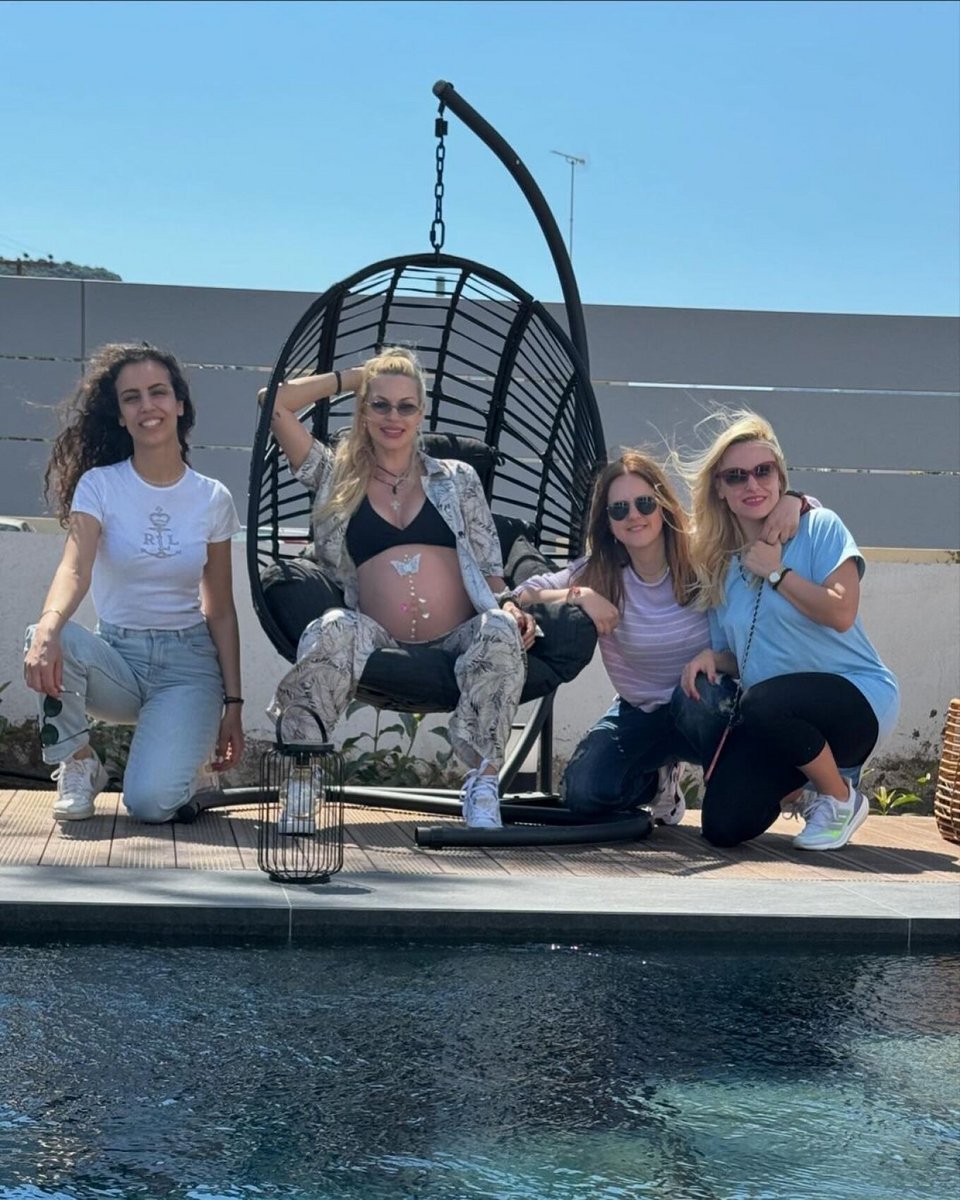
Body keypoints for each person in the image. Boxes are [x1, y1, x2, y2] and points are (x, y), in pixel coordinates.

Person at [261, 346, 536, 830]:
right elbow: (273, 403)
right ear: (363, 411)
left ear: (421, 413)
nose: (393, 417)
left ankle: (483, 784)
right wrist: (355, 377)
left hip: (458, 636)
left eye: (406, 406)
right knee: (329, 628)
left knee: (498, 627)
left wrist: (510, 605)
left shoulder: (458, 479)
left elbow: (490, 567)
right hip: (375, 635)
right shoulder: (335, 476)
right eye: (381, 404)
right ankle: (304, 773)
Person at [512, 450, 805, 822]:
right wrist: (580, 594)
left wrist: (795, 501)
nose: (634, 516)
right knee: (582, 793)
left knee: (698, 701)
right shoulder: (599, 571)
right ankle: (657, 783)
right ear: (608, 522)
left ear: (663, 506)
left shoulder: (703, 553)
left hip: (708, 703)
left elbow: (761, 520)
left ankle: (749, 788)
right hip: (640, 712)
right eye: (619, 509)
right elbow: (523, 594)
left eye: (645, 503)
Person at [23, 343, 244, 823]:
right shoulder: (100, 486)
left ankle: (186, 762)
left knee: (150, 804)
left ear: (179, 404)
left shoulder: (212, 498)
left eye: (158, 392)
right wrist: (48, 628)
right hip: (118, 660)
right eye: (132, 398)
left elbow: (221, 609)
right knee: (48, 635)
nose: (147, 406)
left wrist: (234, 704)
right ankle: (79, 763)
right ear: (121, 416)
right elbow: (74, 568)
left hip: (188, 668)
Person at [679, 410, 900, 850]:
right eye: (736, 476)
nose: (752, 484)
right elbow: (741, 658)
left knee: (764, 703)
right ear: (720, 489)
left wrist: (777, 573)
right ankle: (805, 787)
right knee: (722, 824)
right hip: (777, 716)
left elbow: (841, 612)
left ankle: (840, 798)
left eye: (763, 471)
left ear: (781, 478)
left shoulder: (820, 527)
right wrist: (711, 658)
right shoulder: (721, 568)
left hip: (856, 700)